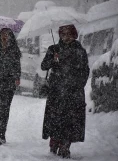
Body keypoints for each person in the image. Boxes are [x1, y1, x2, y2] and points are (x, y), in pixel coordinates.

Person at [41, 24, 90, 158]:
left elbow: (85, 71)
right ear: (60, 35)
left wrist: (78, 85)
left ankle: (65, 146)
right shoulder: (53, 49)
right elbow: (44, 66)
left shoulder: (80, 51)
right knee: (55, 119)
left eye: (69, 34)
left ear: (74, 35)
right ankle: (54, 142)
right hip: (56, 91)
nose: (66, 37)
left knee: (71, 121)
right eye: (63, 34)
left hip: (73, 92)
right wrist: (52, 58)